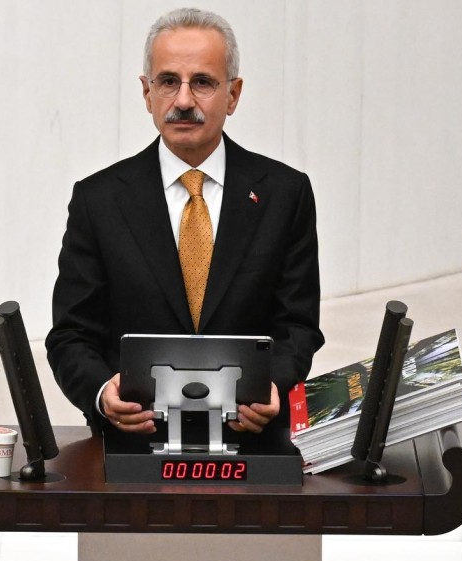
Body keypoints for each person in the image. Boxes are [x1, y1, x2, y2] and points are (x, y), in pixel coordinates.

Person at [46, 7, 323, 439]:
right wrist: (102, 393)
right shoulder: (98, 201)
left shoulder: (285, 195)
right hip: (133, 438)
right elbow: (71, 334)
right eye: (168, 81)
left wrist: (274, 384)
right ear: (147, 93)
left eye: (203, 82)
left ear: (233, 95)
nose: (183, 101)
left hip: (249, 436)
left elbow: (298, 326)